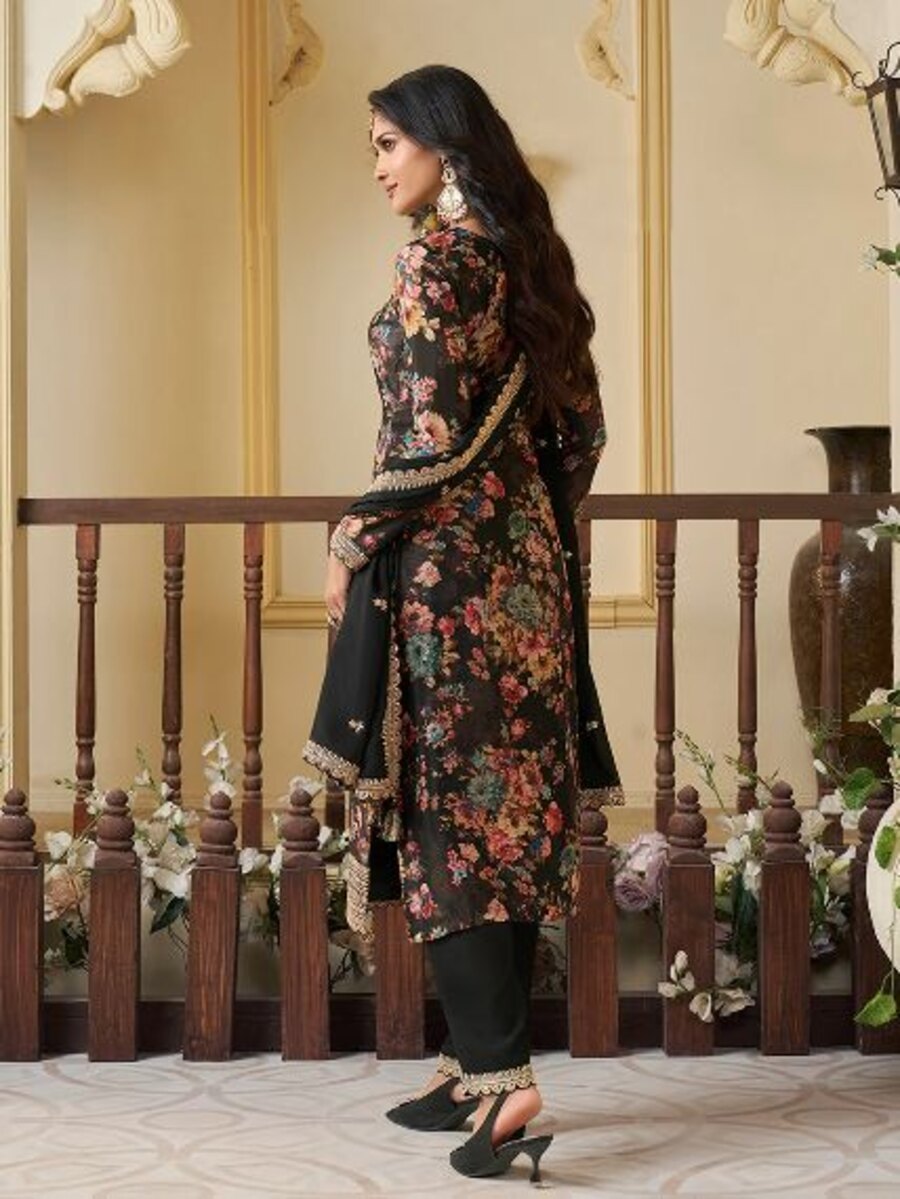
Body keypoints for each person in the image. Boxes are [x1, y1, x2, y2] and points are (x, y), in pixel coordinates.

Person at [302, 63, 621, 1182]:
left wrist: (353, 535)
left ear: (445, 146)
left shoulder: (438, 262)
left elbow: (425, 439)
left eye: (390, 143)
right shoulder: (531, 263)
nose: (379, 166)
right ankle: (471, 1064)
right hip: (527, 578)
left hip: (447, 586)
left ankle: (504, 1079)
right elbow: (582, 436)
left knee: (451, 817)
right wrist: (520, 523)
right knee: (508, 813)